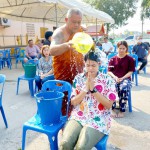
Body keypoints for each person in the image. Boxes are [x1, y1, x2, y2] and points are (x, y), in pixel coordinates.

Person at [60, 51, 118, 150]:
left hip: (99, 119)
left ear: (99, 64)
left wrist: (93, 90)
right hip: (79, 116)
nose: (90, 68)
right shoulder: (79, 78)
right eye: (88, 65)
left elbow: (108, 105)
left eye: (93, 65)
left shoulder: (107, 80)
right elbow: (73, 102)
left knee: (81, 147)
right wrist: (85, 89)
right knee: (65, 144)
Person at [50, 8, 85, 115]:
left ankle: (78, 121)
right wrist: (67, 45)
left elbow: (82, 28)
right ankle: (64, 127)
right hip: (63, 76)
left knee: (80, 100)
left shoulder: (79, 30)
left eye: (79, 22)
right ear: (66, 19)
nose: (76, 25)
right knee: (65, 103)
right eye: (74, 22)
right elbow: (51, 50)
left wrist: (82, 27)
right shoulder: (60, 33)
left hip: (79, 72)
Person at [108, 41, 135, 118]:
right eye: (120, 48)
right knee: (111, 86)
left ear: (126, 49)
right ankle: (111, 108)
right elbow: (109, 71)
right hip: (114, 78)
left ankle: (121, 110)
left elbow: (131, 71)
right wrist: (115, 77)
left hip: (125, 78)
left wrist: (122, 78)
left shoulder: (130, 59)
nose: (121, 50)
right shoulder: (112, 59)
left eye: (123, 48)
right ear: (117, 48)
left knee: (123, 88)